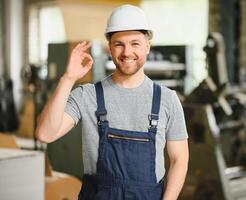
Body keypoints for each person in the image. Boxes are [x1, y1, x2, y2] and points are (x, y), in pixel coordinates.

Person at [36, 4, 188, 200]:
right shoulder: (87, 95)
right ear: (110, 47)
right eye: (119, 44)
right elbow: (44, 134)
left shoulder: (167, 99)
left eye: (135, 43)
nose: (127, 52)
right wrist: (68, 79)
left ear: (147, 46)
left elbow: (179, 159)